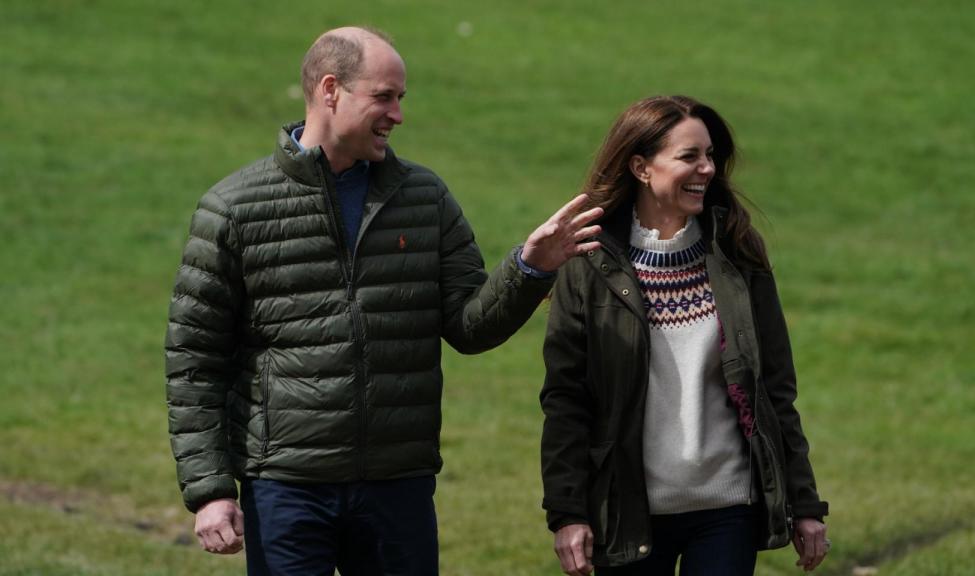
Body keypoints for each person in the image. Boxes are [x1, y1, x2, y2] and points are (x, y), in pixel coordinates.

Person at [165, 26, 602, 576]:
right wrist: (209, 490)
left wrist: (529, 268)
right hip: (286, 486)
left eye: (401, 99)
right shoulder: (234, 209)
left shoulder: (425, 198)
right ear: (331, 90)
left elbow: (469, 327)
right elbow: (194, 362)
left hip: (399, 486)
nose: (398, 114)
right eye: (384, 96)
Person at [539, 95, 829, 575]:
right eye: (689, 156)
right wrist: (567, 512)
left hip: (728, 508)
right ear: (641, 167)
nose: (708, 169)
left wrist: (804, 502)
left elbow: (774, 388)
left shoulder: (738, 252)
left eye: (710, 155)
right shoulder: (587, 260)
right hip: (628, 511)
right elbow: (567, 399)